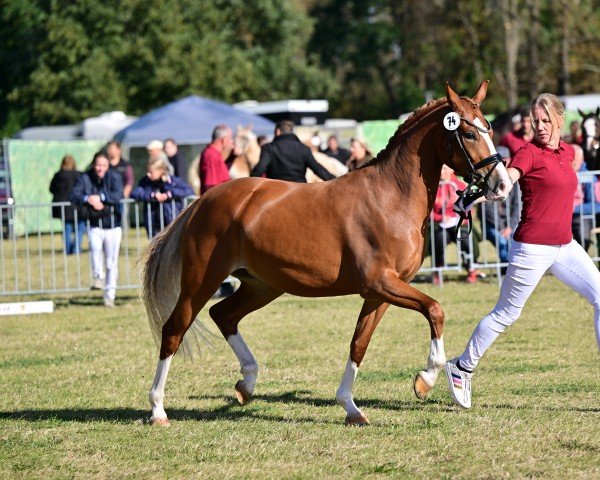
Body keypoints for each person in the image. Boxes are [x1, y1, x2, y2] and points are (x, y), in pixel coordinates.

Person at [445, 93, 600, 409]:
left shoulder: (568, 152)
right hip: (531, 248)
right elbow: (506, 182)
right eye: (535, 122)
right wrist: (478, 197)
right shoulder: (527, 153)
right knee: (506, 314)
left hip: (565, 246)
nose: (540, 127)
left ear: (559, 119)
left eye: (545, 121)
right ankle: (462, 367)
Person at [71, 151, 124, 308]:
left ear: (108, 166)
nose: (100, 168)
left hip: (113, 226)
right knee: (94, 249)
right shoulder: (85, 177)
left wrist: (100, 197)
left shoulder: (114, 177)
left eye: (104, 165)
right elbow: (74, 195)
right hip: (94, 224)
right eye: (98, 165)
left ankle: (109, 296)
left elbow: (118, 195)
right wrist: (89, 199)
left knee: (111, 263)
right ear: (94, 165)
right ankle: (97, 277)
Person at [431, 164, 481, 285]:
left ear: (452, 170)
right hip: (441, 225)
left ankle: (471, 268)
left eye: (445, 169)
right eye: (440, 168)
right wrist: (440, 218)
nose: (442, 171)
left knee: (465, 238)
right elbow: (429, 212)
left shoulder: (460, 185)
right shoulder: (432, 186)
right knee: (439, 239)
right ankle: (438, 269)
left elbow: (469, 207)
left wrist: (463, 217)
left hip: (460, 223)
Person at [250, 120, 335, 183]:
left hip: (276, 192)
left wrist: (249, 182)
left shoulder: (269, 148)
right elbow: (317, 168)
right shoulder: (304, 148)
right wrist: (334, 180)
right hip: (299, 192)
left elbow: (259, 170)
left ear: (278, 131)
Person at [131, 155, 194, 238]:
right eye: (147, 171)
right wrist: (151, 195)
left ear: (161, 170)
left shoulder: (173, 181)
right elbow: (135, 193)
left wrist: (170, 194)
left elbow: (189, 190)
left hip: (171, 222)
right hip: (154, 224)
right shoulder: (145, 182)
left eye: (151, 172)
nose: (148, 174)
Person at [478, 146, 520, 268]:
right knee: (502, 241)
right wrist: (502, 228)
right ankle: (505, 267)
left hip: (511, 225)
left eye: (504, 159)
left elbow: (517, 206)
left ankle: (511, 267)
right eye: (499, 159)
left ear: (510, 159)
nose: (502, 162)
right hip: (492, 225)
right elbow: (488, 210)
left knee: (515, 239)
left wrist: (510, 227)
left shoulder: (515, 181)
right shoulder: (489, 180)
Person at [49, 155, 86, 254]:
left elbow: (51, 189)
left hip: (63, 206)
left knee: (67, 227)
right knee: (80, 226)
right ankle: (76, 248)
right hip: (77, 205)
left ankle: (68, 249)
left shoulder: (58, 175)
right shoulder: (79, 175)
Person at [199, 124, 235, 195]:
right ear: (224, 140)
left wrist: (233, 156)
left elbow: (221, 174)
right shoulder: (211, 155)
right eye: (230, 138)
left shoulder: (215, 154)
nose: (232, 141)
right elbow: (210, 187)